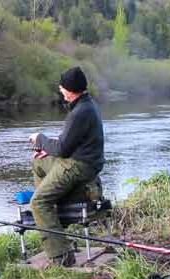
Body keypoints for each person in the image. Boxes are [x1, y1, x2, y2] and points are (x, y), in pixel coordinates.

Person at [28, 67, 105, 267]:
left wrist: (40, 138)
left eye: (62, 88)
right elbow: (68, 143)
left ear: (69, 90)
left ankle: (60, 256)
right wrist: (49, 149)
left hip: (79, 166)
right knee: (39, 162)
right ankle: (55, 223)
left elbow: (62, 148)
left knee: (38, 202)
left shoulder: (79, 112)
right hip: (82, 161)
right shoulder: (87, 105)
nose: (60, 90)